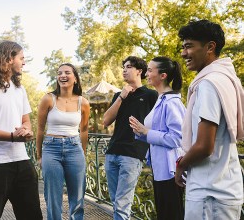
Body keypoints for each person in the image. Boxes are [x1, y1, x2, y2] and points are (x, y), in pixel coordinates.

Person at [175, 19, 244, 219]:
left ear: (210, 47)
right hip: (223, 188)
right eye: (183, 47)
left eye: (189, 46)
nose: (183, 53)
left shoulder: (209, 84)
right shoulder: (226, 78)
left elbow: (205, 145)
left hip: (210, 193)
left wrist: (181, 165)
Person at [0, 40, 42, 220]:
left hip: (22, 161)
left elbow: (26, 120)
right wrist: (12, 137)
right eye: (21, 58)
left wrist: (25, 131)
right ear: (9, 58)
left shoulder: (19, 88)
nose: (24, 62)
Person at [129, 56, 186, 220]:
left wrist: (146, 131)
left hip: (171, 170)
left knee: (171, 214)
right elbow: (156, 134)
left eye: (150, 70)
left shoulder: (171, 102)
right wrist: (139, 131)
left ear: (163, 75)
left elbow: (177, 139)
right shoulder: (161, 99)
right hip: (160, 168)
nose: (146, 73)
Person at [103, 56, 158, 220]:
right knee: (116, 202)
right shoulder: (119, 95)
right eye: (123, 67)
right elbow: (106, 121)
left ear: (139, 71)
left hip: (133, 154)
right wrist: (121, 96)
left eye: (128, 67)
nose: (124, 70)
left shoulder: (151, 95)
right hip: (112, 153)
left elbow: (159, 122)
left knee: (121, 204)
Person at [36, 63, 90, 220]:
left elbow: (84, 130)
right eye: (59, 73)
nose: (62, 75)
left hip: (74, 148)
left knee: (78, 195)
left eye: (67, 72)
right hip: (51, 149)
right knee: (53, 196)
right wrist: (39, 155)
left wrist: (83, 153)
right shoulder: (48, 99)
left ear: (75, 78)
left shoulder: (83, 102)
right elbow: (40, 129)